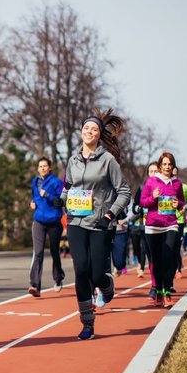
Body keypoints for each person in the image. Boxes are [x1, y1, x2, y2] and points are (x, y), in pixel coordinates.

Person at [57, 110, 131, 340]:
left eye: (94, 129)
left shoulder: (108, 160)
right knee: (81, 271)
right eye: (86, 128)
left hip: (100, 223)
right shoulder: (73, 161)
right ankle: (87, 323)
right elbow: (68, 189)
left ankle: (107, 285)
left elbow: (124, 191)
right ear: (81, 132)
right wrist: (59, 199)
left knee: (97, 274)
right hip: (77, 221)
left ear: (99, 135)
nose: (89, 132)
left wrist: (110, 214)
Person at [140, 151, 185, 308]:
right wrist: (153, 197)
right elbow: (143, 202)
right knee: (157, 261)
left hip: (170, 224)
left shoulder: (177, 183)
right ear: (159, 166)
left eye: (169, 164)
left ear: (173, 166)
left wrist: (177, 205)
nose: (167, 166)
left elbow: (181, 203)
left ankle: (166, 291)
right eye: (164, 164)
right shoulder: (151, 181)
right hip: (153, 226)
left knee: (168, 257)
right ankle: (158, 290)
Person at [28, 157, 66, 296]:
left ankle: (58, 278)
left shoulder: (56, 182)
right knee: (38, 252)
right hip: (39, 220)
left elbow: (60, 201)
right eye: (40, 166)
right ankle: (35, 285)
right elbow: (34, 197)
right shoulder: (35, 181)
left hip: (54, 221)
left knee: (54, 251)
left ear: (50, 168)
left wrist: (48, 195)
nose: (42, 168)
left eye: (45, 166)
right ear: (38, 168)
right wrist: (32, 203)